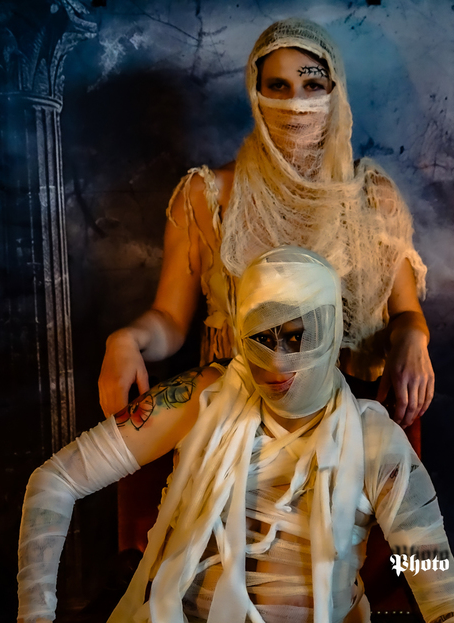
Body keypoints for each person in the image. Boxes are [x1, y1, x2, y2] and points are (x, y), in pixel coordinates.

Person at [18, 247, 454, 623]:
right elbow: (54, 481)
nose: (278, 361)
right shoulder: (202, 397)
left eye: (298, 336)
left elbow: (444, 593)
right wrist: (35, 616)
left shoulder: (373, 438)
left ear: (329, 330)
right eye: (262, 336)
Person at [99, 18, 433, 428]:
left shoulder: (371, 197)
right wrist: (127, 339)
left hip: (350, 415)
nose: (296, 103)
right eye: (278, 86)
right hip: (242, 421)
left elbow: (405, 313)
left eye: (312, 85)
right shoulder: (208, 196)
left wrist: (413, 338)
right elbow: (169, 319)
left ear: (335, 90)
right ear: (256, 93)